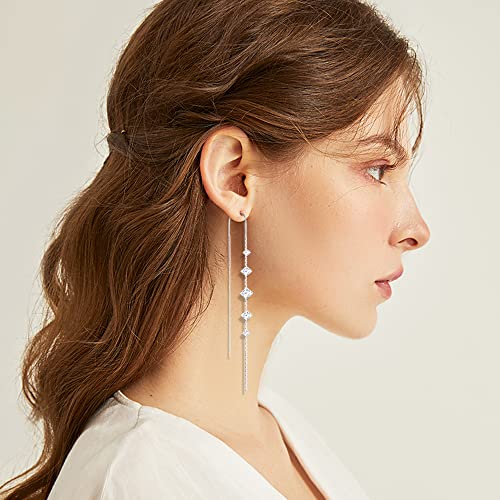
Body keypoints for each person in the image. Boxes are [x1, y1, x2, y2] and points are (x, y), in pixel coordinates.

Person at [0, 0, 430, 498]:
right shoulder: (138, 479)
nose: (417, 230)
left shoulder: (278, 431)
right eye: (377, 169)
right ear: (234, 177)